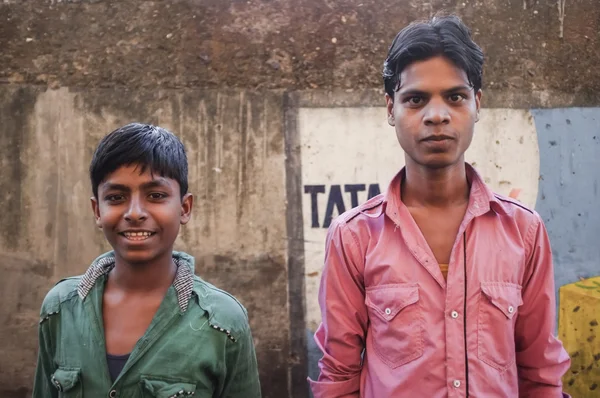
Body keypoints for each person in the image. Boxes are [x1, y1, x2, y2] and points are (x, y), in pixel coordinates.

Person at [308, 15, 571, 397]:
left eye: (455, 97)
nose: (437, 115)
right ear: (390, 109)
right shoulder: (354, 236)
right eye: (415, 99)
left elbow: (540, 371)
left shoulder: (523, 231)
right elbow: (339, 374)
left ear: (476, 104)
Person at [33, 123, 261, 397]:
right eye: (116, 197)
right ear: (97, 210)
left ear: (184, 208)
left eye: (156, 196)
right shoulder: (60, 308)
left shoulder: (224, 321)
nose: (135, 212)